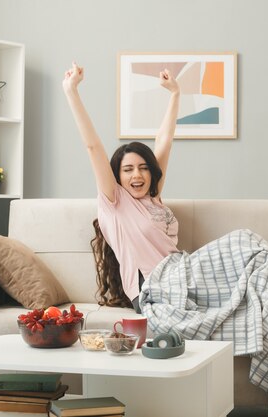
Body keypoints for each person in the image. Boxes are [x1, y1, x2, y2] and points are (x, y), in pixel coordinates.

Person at [63, 62, 181, 312]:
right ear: (116, 176)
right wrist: (71, 91)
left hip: (180, 277)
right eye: (128, 170)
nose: (137, 175)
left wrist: (175, 94)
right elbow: (92, 146)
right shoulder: (114, 201)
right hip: (150, 288)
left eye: (143, 167)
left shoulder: (153, 194)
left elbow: (164, 141)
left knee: (249, 253)